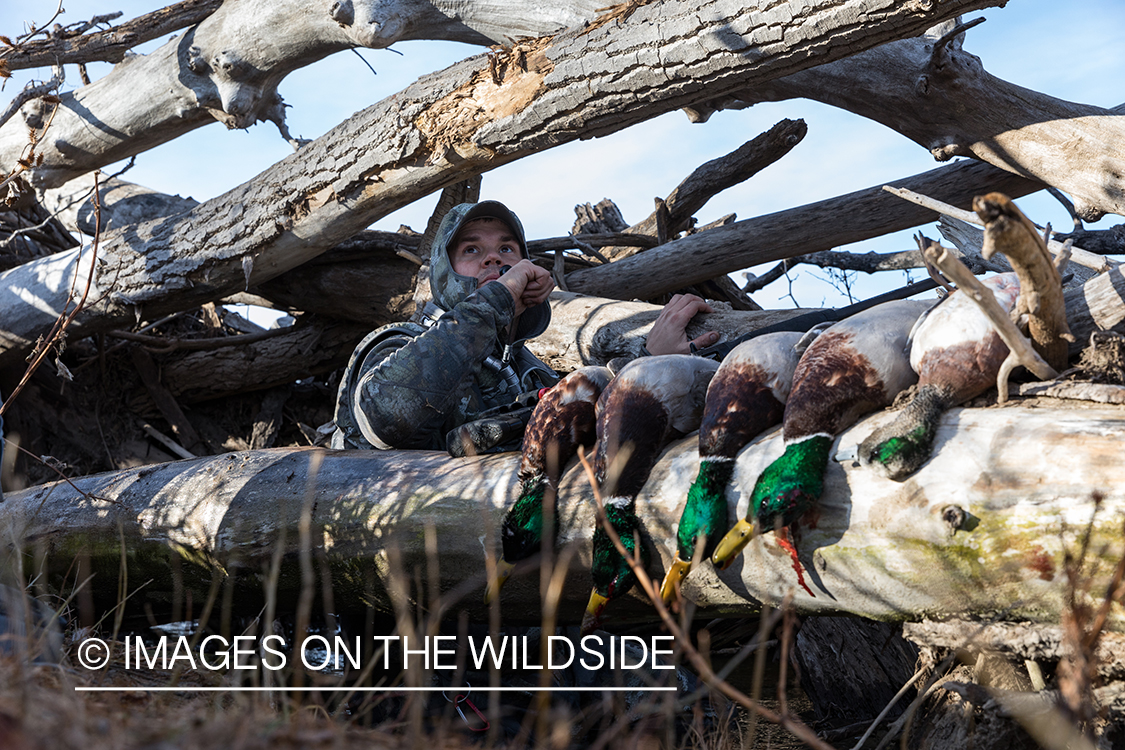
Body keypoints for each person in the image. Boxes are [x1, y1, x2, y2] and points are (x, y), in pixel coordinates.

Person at [331, 200, 719, 452]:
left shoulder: (533, 373)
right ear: (443, 271)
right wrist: (501, 294)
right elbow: (385, 419)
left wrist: (649, 363)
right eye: (471, 250)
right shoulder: (395, 345)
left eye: (507, 250)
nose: (493, 260)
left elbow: (586, 428)